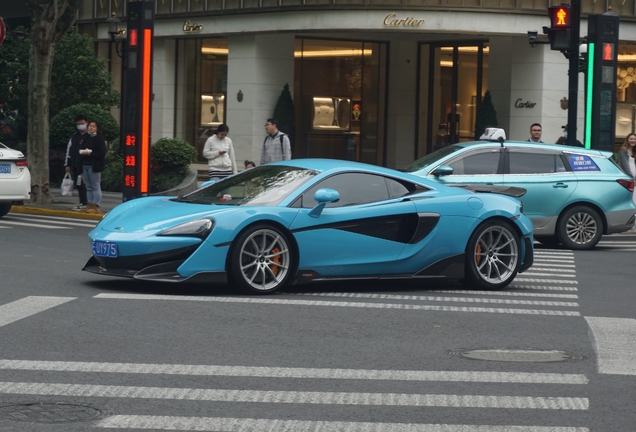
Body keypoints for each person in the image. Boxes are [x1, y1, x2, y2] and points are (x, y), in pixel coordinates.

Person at [79, 121, 107, 214]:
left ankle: (96, 205)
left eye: (93, 126)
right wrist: (84, 152)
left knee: (95, 185)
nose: (91, 128)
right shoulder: (87, 138)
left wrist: (90, 153)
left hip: (94, 165)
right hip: (85, 164)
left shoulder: (99, 139)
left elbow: (102, 153)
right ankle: (89, 204)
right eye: (90, 126)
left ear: (97, 128)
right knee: (88, 186)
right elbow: (81, 149)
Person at [64, 115, 89, 211]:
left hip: (87, 165)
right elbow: (69, 151)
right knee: (79, 184)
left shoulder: (90, 136)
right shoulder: (74, 137)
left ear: (86, 123)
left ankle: (88, 203)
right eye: (78, 124)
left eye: (82, 123)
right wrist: (67, 164)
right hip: (76, 164)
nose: (80, 126)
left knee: (87, 185)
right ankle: (82, 202)